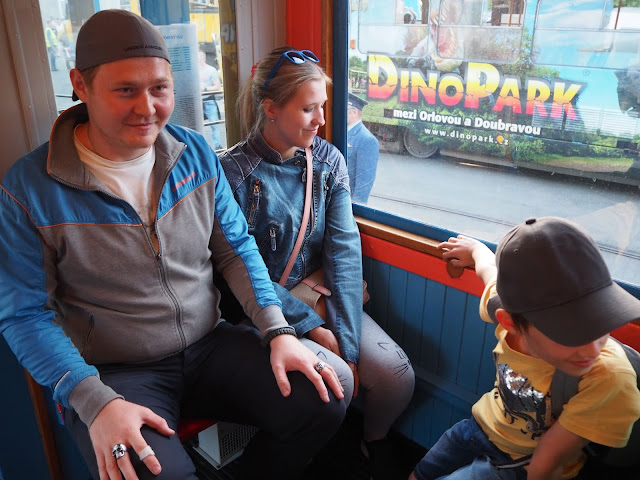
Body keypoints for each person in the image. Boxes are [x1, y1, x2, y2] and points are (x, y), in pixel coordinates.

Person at [0, 11, 347, 480]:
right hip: (115, 372)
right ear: (80, 84)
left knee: (329, 392)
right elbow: (24, 315)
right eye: (126, 90)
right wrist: (95, 401)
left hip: (209, 344)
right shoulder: (29, 189)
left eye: (160, 88)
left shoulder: (194, 153)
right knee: (148, 471)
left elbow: (236, 248)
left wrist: (278, 330)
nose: (147, 108)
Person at [219, 46, 415, 479]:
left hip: (319, 295)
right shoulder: (230, 175)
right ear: (270, 108)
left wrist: (348, 344)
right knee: (332, 381)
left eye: (323, 107)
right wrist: (313, 327)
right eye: (308, 109)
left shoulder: (328, 162)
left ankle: (372, 444)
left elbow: (344, 253)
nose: (321, 120)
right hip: (263, 309)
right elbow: (243, 272)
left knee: (396, 375)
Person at [411, 217, 640, 480]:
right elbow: (489, 271)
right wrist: (475, 249)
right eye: (569, 333)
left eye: (602, 321)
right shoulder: (505, 310)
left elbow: (548, 459)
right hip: (479, 426)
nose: (591, 350)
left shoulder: (608, 377)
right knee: (422, 472)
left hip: (525, 464)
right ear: (510, 323)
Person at [347, 92, 379, 204]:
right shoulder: (343, 132)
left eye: (344, 109)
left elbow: (364, 185)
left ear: (354, 112)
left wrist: (355, 209)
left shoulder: (367, 140)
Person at [198, 50, 223, 150]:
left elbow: (217, 86)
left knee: (214, 123)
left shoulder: (211, 70)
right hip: (198, 102)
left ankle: (217, 145)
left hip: (209, 100)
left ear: (204, 58)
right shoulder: (193, 71)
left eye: (200, 57)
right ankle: (201, 147)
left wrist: (205, 89)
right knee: (199, 125)